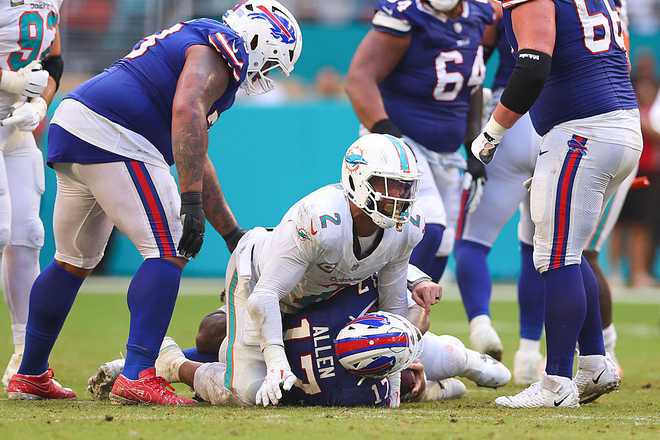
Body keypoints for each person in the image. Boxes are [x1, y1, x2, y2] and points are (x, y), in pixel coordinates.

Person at [7, 0, 302, 405]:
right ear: (261, 37)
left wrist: (231, 232)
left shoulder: (199, 38)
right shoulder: (223, 46)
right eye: (271, 63)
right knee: (168, 249)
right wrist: (190, 200)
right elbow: (186, 111)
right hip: (115, 133)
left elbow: (195, 148)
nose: (264, 75)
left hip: (77, 121)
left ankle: (30, 373)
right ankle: (139, 373)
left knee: (72, 262)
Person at [472, 0, 641, 408]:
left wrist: (493, 131)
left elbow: (532, 65)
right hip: (620, 124)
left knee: (555, 256)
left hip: (582, 132)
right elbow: (622, 58)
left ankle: (556, 383)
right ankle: (596, 362)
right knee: (570, 250)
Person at [88, 267, 511, 405]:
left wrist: (405, 340)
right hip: (285, 345)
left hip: (354, 356)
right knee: (223, 344)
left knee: (431, 367)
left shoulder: (364, 276)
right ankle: (164, 364)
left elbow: (413, 315)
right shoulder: (314, 259)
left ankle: (459, 372)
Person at [345, 0, 496, 283]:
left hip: (448, 149)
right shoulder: (405, 15)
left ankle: (417, 320)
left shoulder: (478, 13)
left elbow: (472, 87)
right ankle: (388, 310)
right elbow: (358, 79)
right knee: (430, 224)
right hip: (404, 138)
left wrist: (473, 146)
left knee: (444, 242)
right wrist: (391, 136)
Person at [0, 0, 64, 387]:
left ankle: (26, 366)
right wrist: (6, 81)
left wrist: (40, 103)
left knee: (28, 235)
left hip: (16, 124)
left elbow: (54, 63)